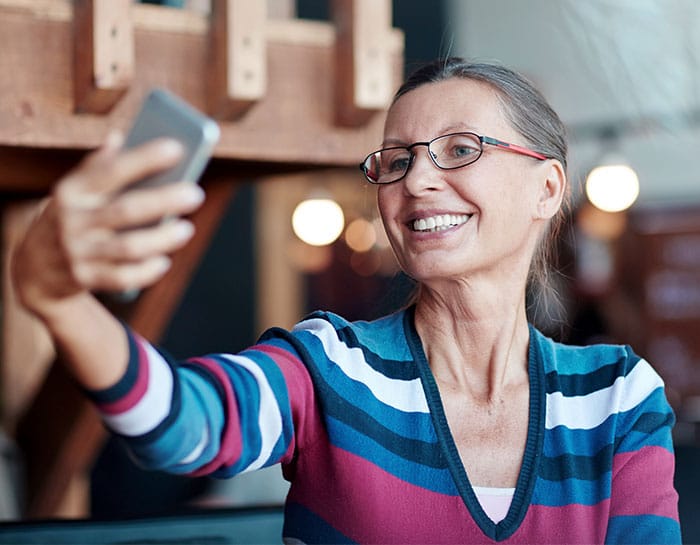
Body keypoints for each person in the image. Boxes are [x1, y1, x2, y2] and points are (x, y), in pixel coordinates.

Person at [11, 58, 680, 544]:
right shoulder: (328, 366)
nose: (417, 178)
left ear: (547, 187)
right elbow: (186, 424)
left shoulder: (617, 397)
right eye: (395, 159)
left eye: (460, 150)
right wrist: (62, 302)